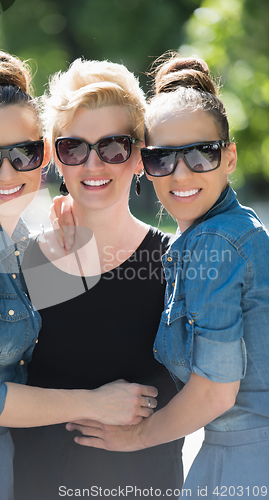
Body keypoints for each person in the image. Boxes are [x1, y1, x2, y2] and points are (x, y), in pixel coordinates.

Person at [0, 50, 158, 500]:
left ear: (42, 156)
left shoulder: (9, 233)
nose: (6, 171)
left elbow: (29, 334)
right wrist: (95, 403)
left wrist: (61, 262)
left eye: (23, 153)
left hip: (7, 465)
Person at [66, 54, 269, 498]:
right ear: (145, 163)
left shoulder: (213, 244)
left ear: (230, 156)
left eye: (201, 154)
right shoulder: (201, 242)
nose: (180, 174)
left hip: (241, 467)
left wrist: (136, 437)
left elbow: (216, 391)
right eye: (162, 159)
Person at [11, 58, 184, 499]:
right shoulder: (29, 259)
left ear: (140, 156)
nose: (93, 164)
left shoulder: (177, 261)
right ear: (54, 156)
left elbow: (215, 392)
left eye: (112, 147)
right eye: (74, 148)